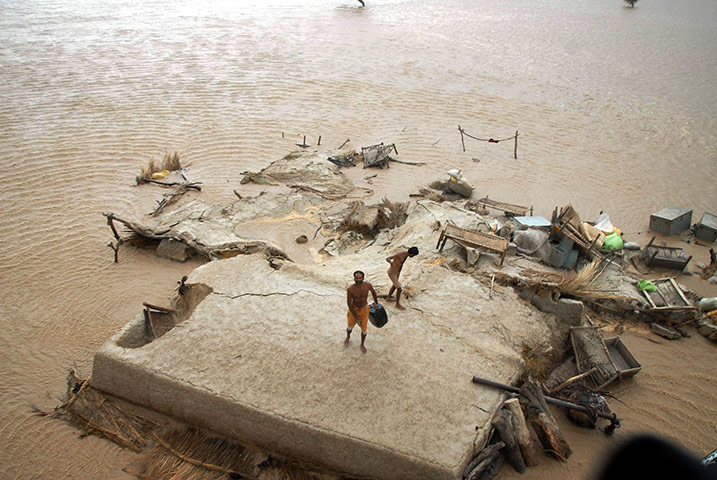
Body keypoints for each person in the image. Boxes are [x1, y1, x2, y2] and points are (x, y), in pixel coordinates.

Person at [345, 270, 378, 353]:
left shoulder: (368, 285)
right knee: (350, 326)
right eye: (356, 278)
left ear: (363, 278)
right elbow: (349, 303)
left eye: (360, 278)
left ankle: (362, 344)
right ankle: (348, 336)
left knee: (364, 329)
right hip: (354, 308)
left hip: (364, 309)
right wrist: (355, 315)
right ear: (354, 278)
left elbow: (374, 293)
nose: (358, 280)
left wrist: (376, 303)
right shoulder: (351, 289)